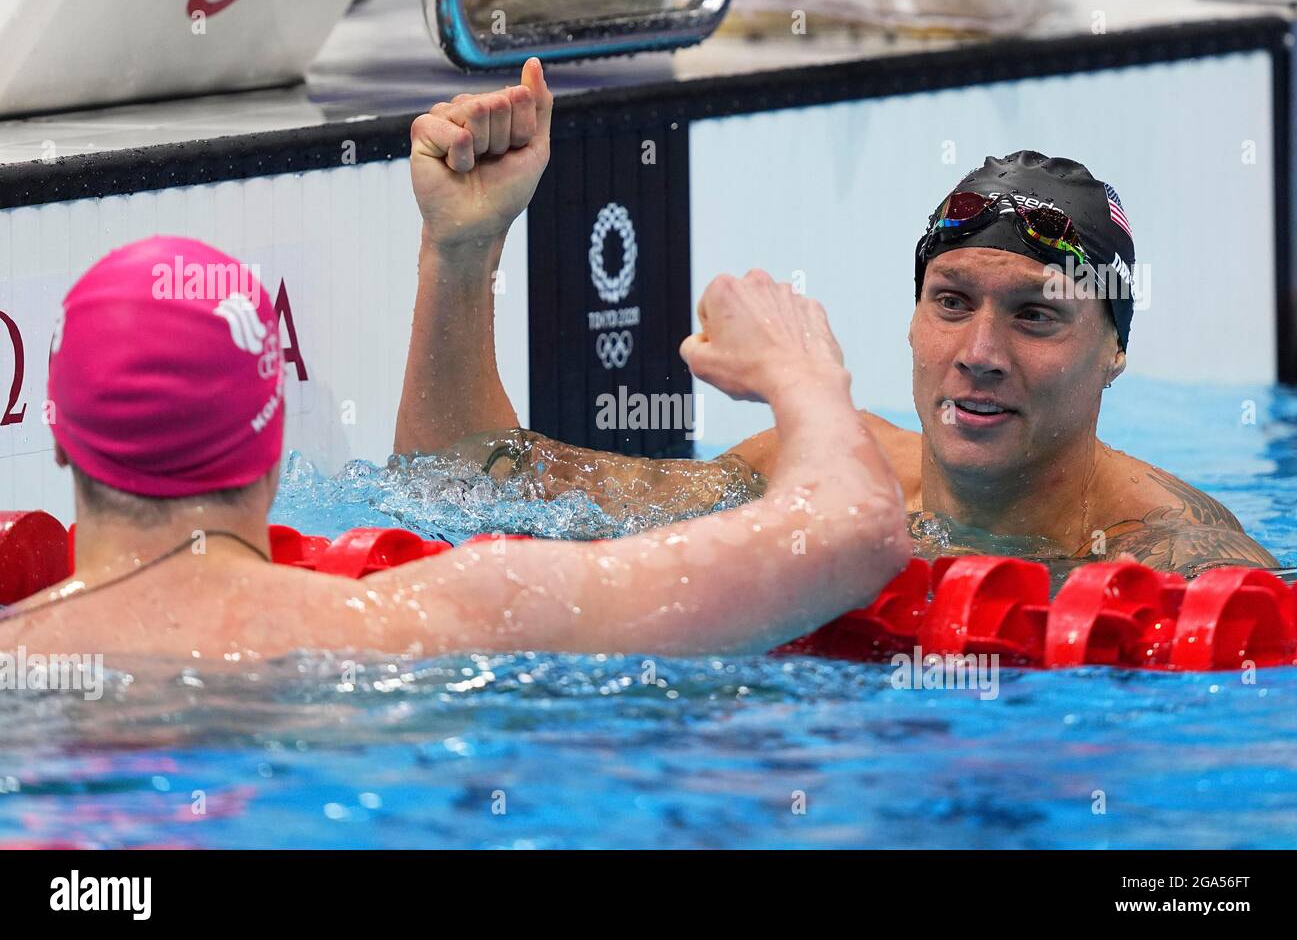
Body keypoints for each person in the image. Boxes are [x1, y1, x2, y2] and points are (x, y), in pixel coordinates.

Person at [395, 61, 1277, 577]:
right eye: (952, 302)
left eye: (1036, 317)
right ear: (912, 318)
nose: (979, 354)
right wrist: (461, 253)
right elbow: (457, 486)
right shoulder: (810, 466)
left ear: (1115, 348)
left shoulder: (1170, 555)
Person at [0, 231, 909, 659]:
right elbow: (850, 531)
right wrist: (804, 378)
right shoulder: (435, 619)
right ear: (272, 445)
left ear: (61, 445)